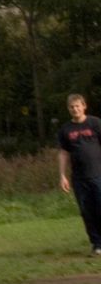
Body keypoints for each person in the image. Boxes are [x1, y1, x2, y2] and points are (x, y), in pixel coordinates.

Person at [57, 94, 101, 256]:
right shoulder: (65, 130)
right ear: (68, 109)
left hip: (98, 175)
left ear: (84, 106)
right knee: (87, 211)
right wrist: (62, 175)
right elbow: (63, 153)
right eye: (71, 107)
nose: (75, 109)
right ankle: (97, 244)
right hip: (79, 178)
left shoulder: (95, 123)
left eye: (77, 106)